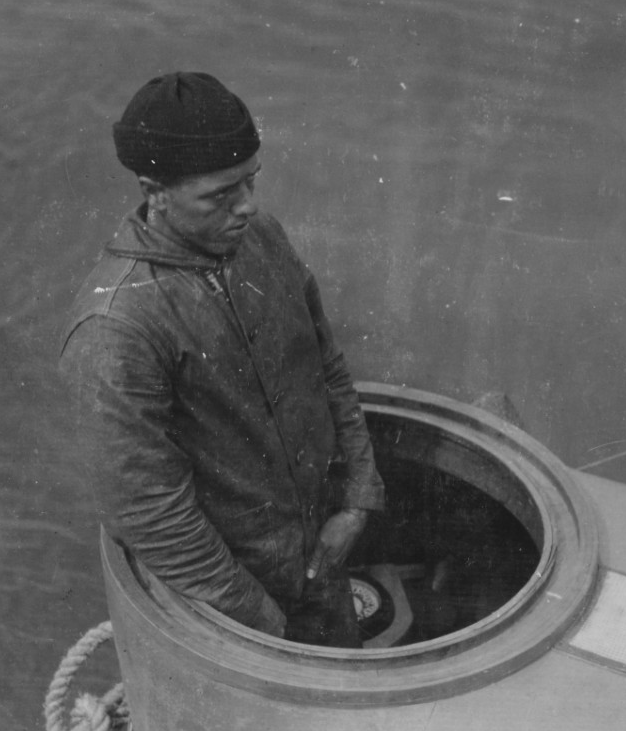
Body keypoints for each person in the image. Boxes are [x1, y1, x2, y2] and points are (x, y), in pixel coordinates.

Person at [60, 71, 385, 647]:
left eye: (250, 182)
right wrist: (262, 625)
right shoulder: (115, 330)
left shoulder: (263, 237)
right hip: (236, 613)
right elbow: (149, 513)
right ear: (153, 189)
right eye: (219, 195)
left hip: (323, 560)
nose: (247, 207)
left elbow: (327, 369)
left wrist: (358, 499)